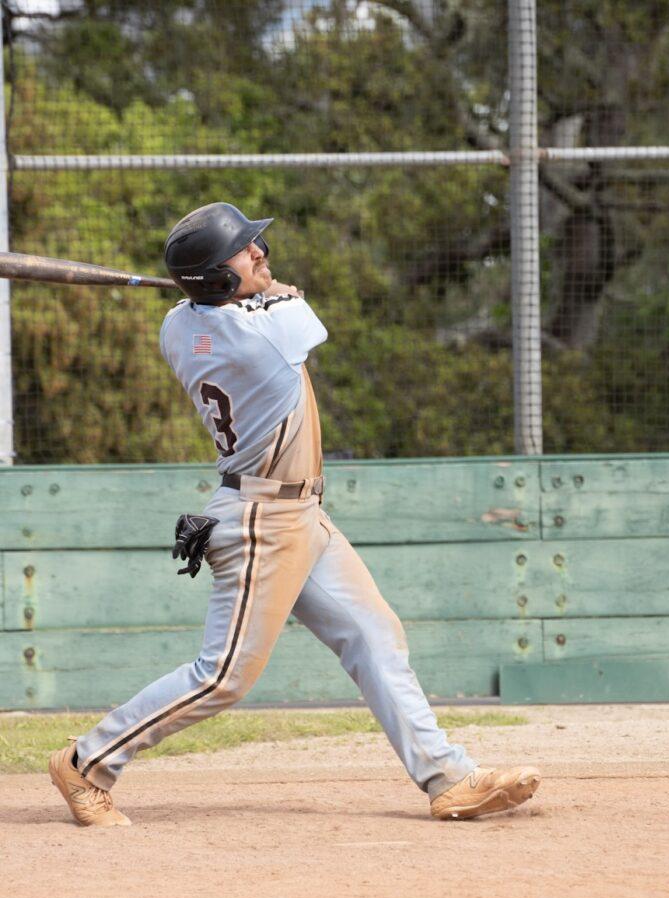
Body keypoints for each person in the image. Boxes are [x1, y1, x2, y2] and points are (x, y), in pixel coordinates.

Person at [49, 202, 541, 827]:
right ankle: (86, 763)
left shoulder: (179, 327)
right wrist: (266, 293)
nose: (261, 254)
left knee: (373, 634)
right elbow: (290, 313)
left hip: (298, 512)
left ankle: (448, 778)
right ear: (216, 281)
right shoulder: (267, 332)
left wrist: (228, 291)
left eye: (256, 245)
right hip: (262, 521)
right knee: (222, 676)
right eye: (245, 251)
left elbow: (212, 311)